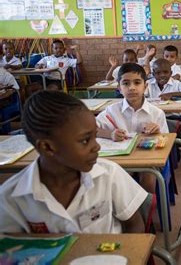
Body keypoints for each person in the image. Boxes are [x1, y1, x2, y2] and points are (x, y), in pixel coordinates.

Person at [0, 91, 147, 233]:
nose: (97, 146)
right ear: (47, 147)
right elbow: (11, 252)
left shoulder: (109, 174)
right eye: (85, 140)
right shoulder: (11, 198)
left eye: (95, 137)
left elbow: (134, 225)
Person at [97, 63, 169, 193]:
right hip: (120, 161)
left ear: (145, 86)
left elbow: (167, 142)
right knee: (121, 180)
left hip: (148, 160)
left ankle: (145, 211)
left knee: (148, 180)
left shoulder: (157, 113)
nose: (131, 88)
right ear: (119, 87)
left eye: (137, 83)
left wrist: (157, 133)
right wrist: (110, 133)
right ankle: (128, 212)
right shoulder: (111, 111)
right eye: (126, 83)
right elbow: (91, 129)